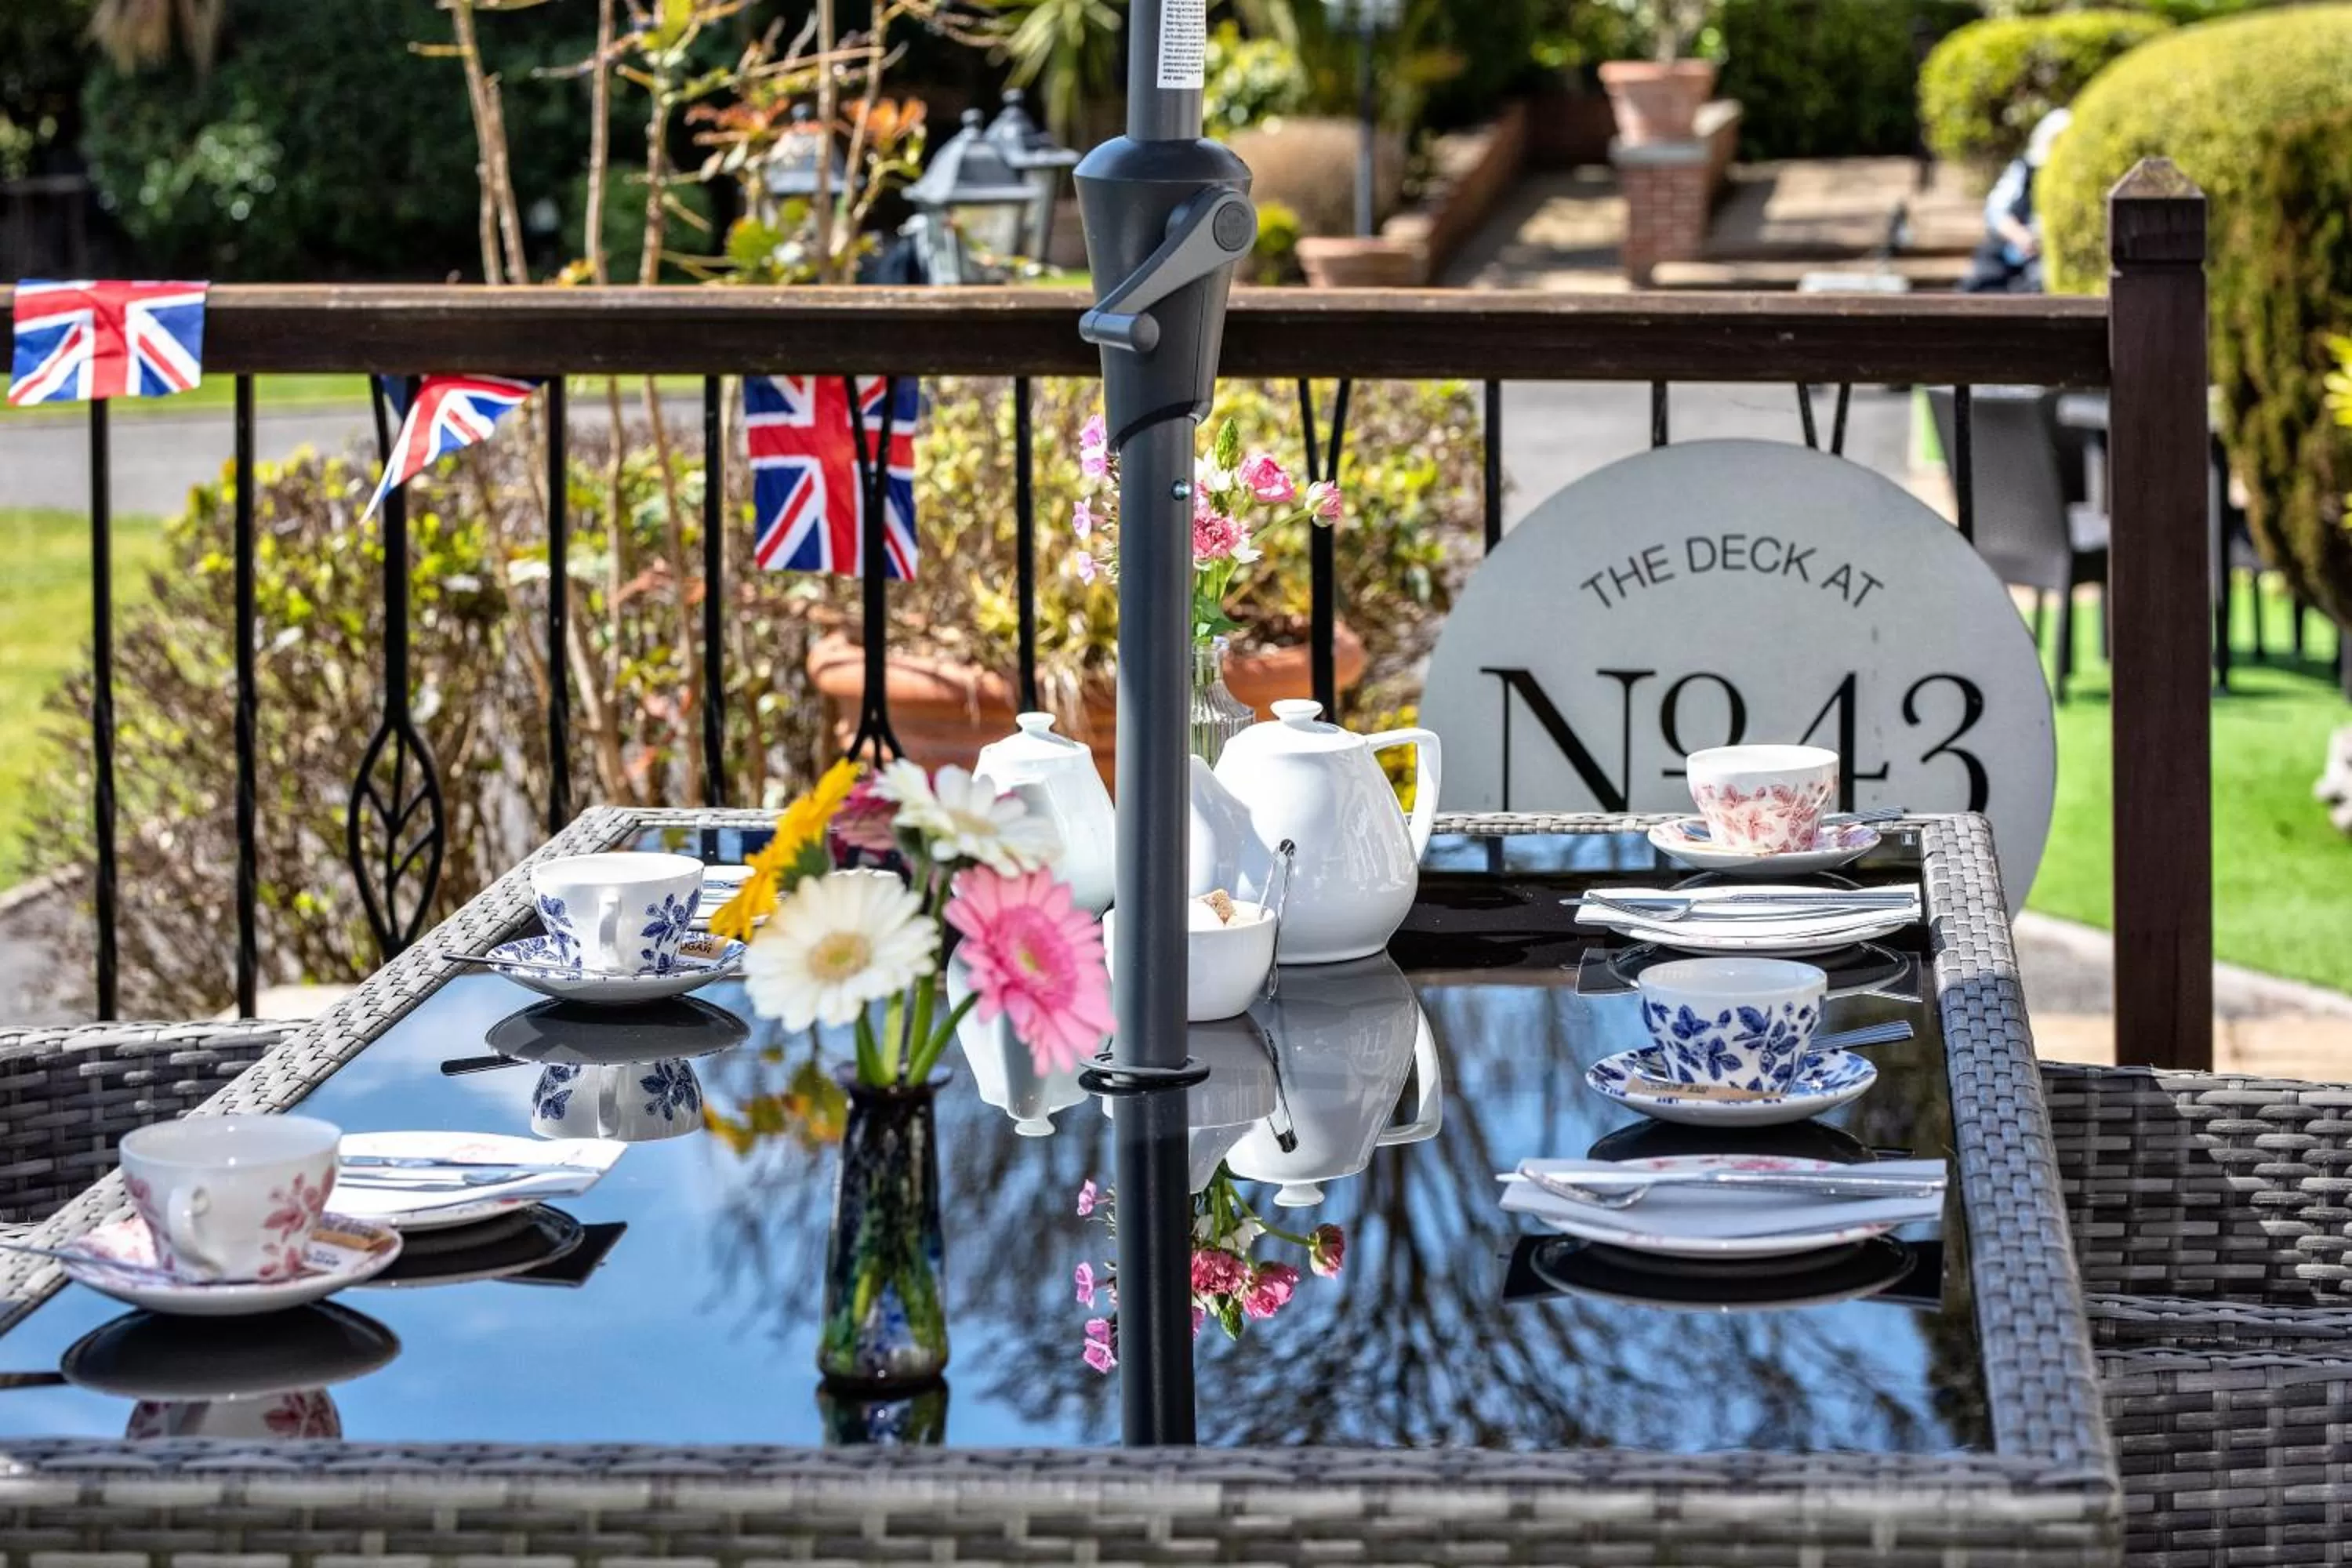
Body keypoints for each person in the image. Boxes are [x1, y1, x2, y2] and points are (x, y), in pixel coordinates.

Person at [1960, 108, 2071, 295]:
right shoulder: (2025, 169)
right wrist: (2021, 236)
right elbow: (1995, 211)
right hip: (2008, 254)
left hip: (2043, 264)